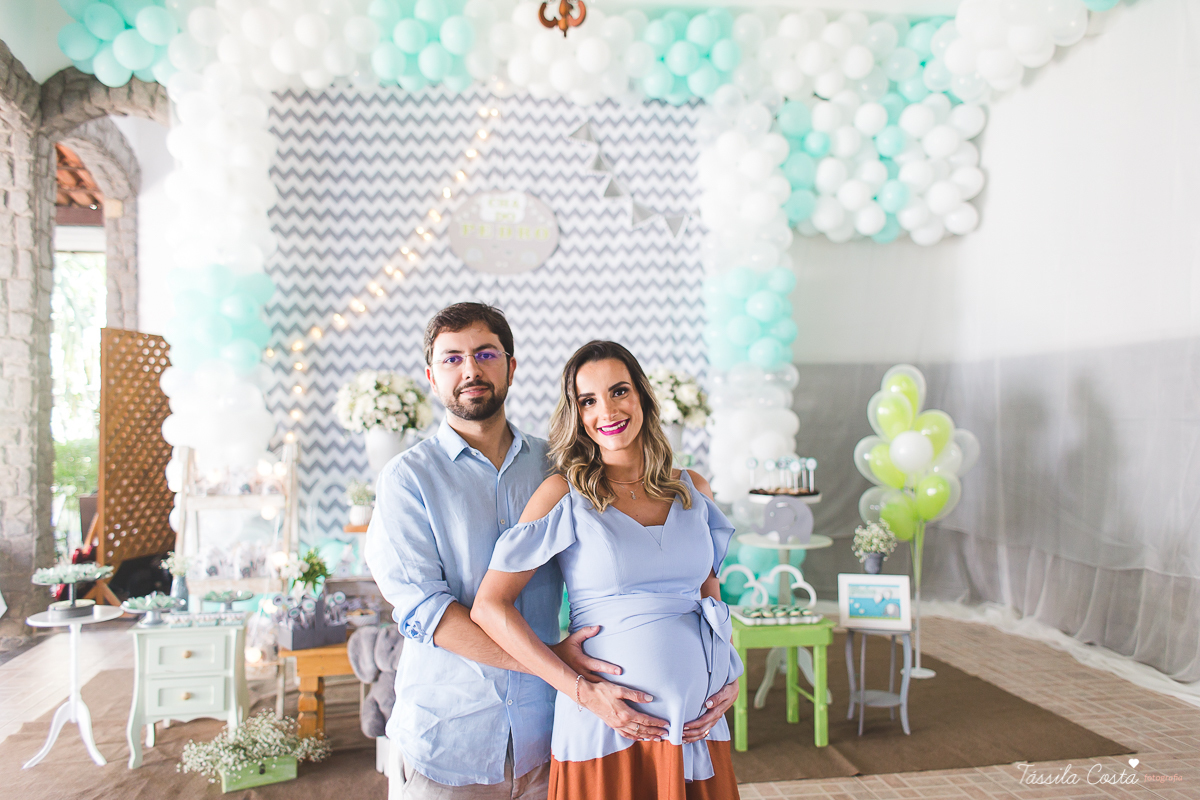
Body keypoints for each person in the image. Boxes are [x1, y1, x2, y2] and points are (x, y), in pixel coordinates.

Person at [364, 303, 654, 800]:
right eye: (452, 359)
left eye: (485, 353)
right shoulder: (407, 480)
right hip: (449, 741)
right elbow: (428, 614)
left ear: (511, 366)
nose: (471, 369)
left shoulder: (561, 467)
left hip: (550, 734)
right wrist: (555, 665)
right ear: (432, 377)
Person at [472, 340, 742, 800]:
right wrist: (579, 690)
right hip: (606, 726)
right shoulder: (564, 493)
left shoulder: (693, 489)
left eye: (619, 391)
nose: (607, 410)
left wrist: (728, 676)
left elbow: (706, 588)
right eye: (588, 400)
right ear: (576, 414)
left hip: (695, 726)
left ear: (642, 396)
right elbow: (489, 606)